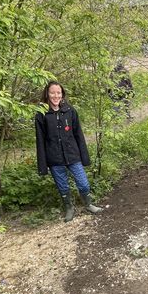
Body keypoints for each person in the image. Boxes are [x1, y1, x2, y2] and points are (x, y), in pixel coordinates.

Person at [35, 81, 103, 222]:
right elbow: (40, 141)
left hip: (72, 155)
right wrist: (43, 165)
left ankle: (88, 204)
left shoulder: (70, 111)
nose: (55, 95)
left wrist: (84, 157)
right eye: (52, 92)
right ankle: (69, 208)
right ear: (47, 94)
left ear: (62, 94)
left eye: (58, 92)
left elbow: (79, 135)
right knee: (63, 186)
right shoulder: (41, 115)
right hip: (54, 157)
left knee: (83, 183)